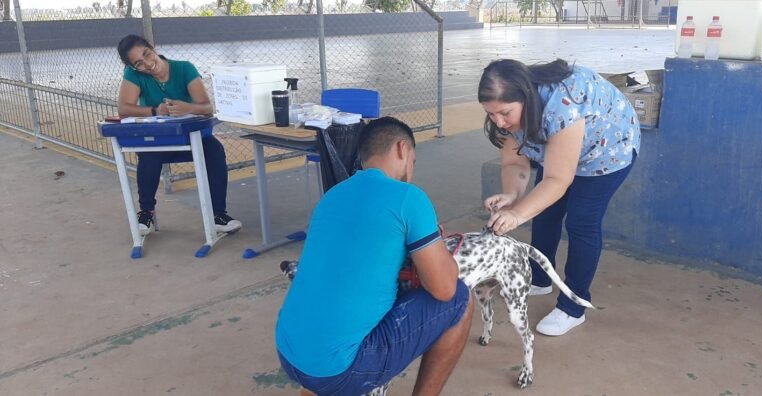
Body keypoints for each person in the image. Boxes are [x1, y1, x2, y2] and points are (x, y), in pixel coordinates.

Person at [275, 117, 474, 395]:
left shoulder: (332, 196)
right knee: (461, 300)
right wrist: (437, 243)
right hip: (340, 371)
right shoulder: (408, 197)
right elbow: (444, 289)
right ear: (403, 149)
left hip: (288, 353)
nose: (411, 170)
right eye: (414, 161)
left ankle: (312, 388)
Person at [479, 59, 640, 337]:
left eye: (505, 113)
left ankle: (573, 305)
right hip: (563, 148)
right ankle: (539, 279)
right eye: (491, 115)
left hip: (608, 151)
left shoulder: (561, 105)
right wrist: (512, 195)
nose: (500, 122)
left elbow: (558, 180)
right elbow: (514, 164)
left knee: (581, 222)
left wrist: (516, 215)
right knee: (545, 211)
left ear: (526, 97)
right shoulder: (509, 111)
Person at [115, 34, 241, 235]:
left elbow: (207, 107)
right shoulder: (134, 76)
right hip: (160, 140)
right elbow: (123, 109)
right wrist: (155, 111)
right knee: (148, 155)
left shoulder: (184, 68)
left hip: (193, 139)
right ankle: (146, 212)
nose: (148, 64)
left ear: (153, 47)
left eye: (147, 54)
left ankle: (218, 214)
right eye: (139, 63)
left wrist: (187, 108)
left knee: (215, 150)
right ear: (132, 67)